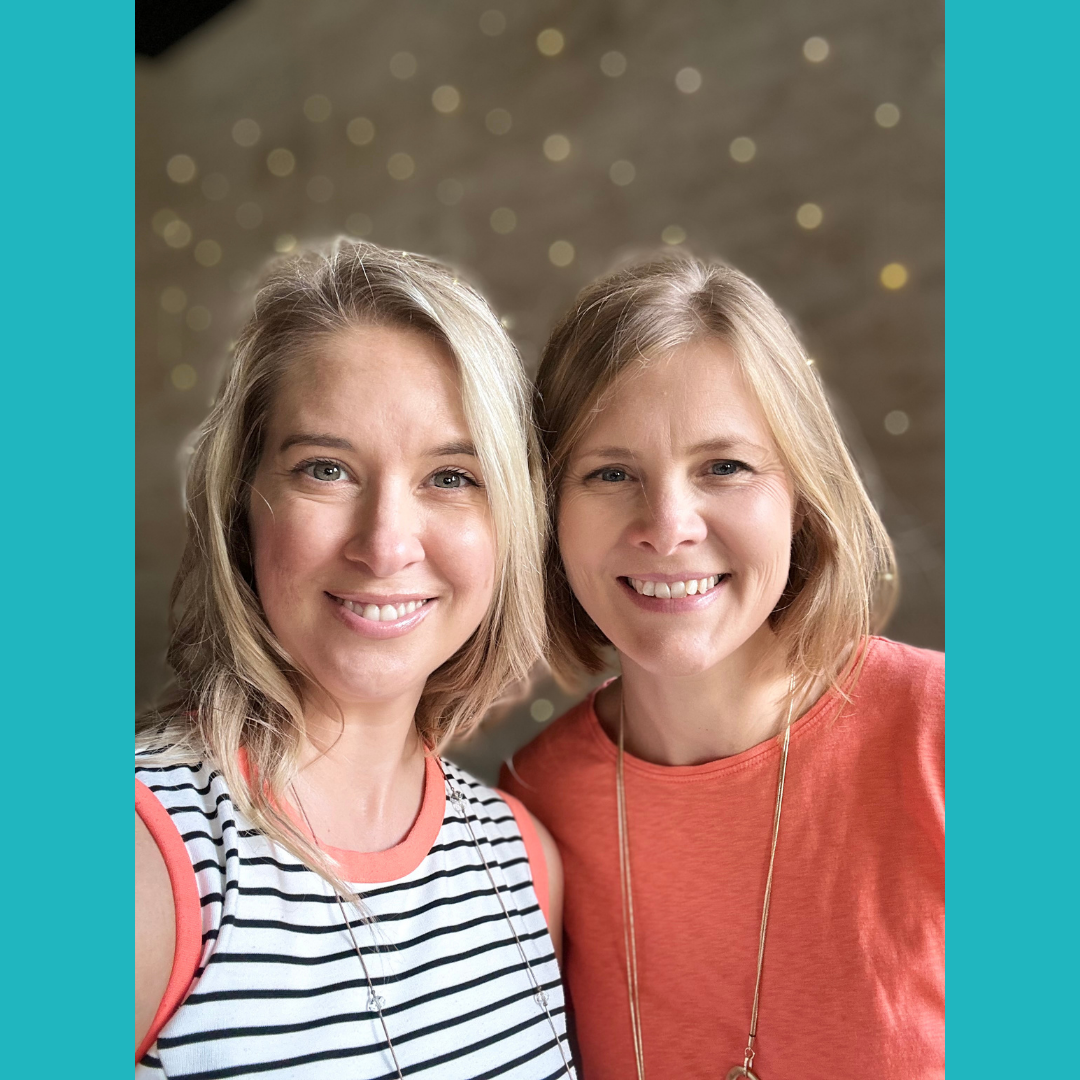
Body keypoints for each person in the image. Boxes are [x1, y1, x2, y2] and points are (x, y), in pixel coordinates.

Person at [135, 240, 576, 1079]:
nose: (385, 544)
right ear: (243, 507)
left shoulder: (526, 865)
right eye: (326, 469)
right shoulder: (138, 856)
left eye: (451, 477)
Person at [501, 253, 944, 1079]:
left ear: (801, 496)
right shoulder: (530, 812)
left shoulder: (949, 733)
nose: (667, 527)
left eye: (724, 467)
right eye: (610, 473)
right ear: (548, 514)